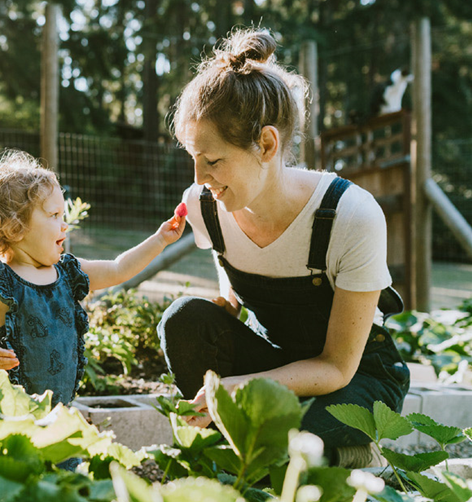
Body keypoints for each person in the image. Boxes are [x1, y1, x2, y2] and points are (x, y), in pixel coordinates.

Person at [156, 28, 410, 468]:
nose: (199, 177)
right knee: (184, 319)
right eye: (193, 157)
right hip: (281, 363)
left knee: (289, 422)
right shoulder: (206, 206)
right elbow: (233, 275)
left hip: (354, 381)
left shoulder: (350, 214)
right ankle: (258, 451)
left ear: (267, 144)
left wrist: (248, 388)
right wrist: (226, 308)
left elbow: (335, 367)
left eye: (213, 160)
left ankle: (349, 452)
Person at [0, 151, 186, 408]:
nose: (64, 225)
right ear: (15, 228)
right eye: (54, 216)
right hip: (9, 406)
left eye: (63, 216)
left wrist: (160, 239)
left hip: (59, 406)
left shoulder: (68, 272)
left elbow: (119, 269)